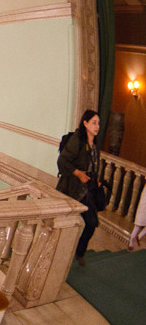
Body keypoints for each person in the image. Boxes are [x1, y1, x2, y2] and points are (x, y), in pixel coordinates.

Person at [57, 109, 101, 267]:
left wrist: (95, 180)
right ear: (85, 123)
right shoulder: (77, 140)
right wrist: (77, 173)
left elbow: (91, 165)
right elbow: (62, 161)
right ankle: (60, 256)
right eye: (94, 123)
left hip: (86, 191)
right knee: (64, 226)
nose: (97, 126)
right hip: (71, 189)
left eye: (98, 123)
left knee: (92, 223)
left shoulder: (94, 145)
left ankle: (79, 252)